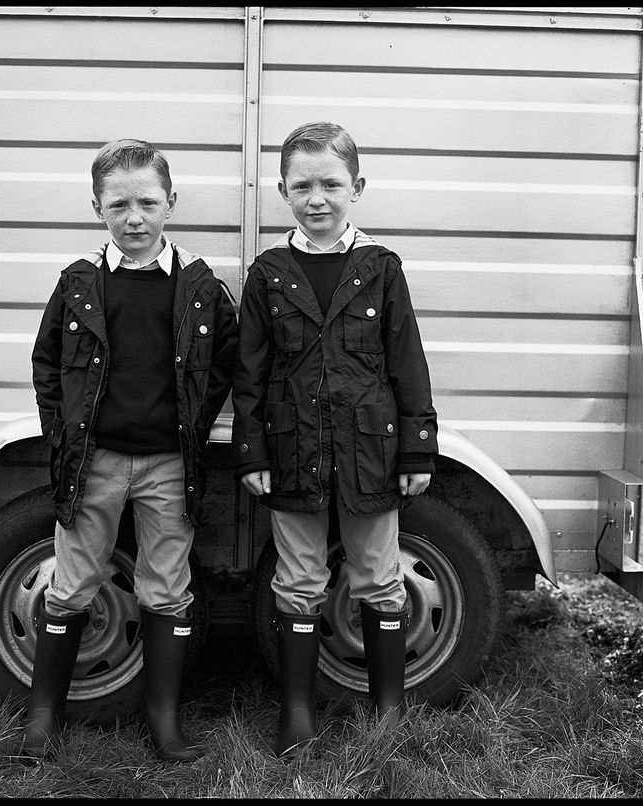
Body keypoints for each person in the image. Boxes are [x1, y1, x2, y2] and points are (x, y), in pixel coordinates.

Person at [231, 122, 438, 758]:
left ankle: (389, 711)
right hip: (293, 449)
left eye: (330, 184)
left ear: (357, 189)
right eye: (302, 186)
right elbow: (250, 372)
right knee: (299, 577)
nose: (316, 198)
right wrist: (251, 449)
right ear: (282, 192)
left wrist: (416, 446)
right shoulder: (268, 273)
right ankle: (297, 712)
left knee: (378, 576)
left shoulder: (380, 268)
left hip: (368, 452)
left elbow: (407, 360)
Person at [28, 139, 239, 762]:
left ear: (170, 203)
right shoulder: (79, 285)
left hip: (170, 466)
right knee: (71, 585)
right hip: (94, 462)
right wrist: (65, 435)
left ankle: (164, 721)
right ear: (97, 207)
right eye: (118, 204)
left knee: (167, 587)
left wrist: (192, 428)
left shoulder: (201, 288)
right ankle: (43, 717)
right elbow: (46, 365)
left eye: (147, 202)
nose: (134, 217)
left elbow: (225, 364)